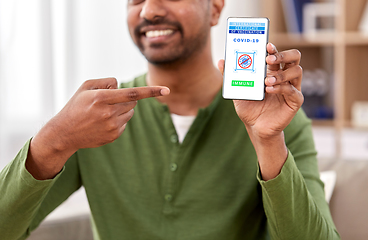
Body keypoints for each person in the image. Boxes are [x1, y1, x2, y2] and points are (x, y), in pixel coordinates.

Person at [0, 0, 340, 239]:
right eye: (136, 0)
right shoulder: (96, 118)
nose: (149, 9)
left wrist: (268, 142)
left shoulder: (281, 123)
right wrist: (53, 140)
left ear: (216, 7)